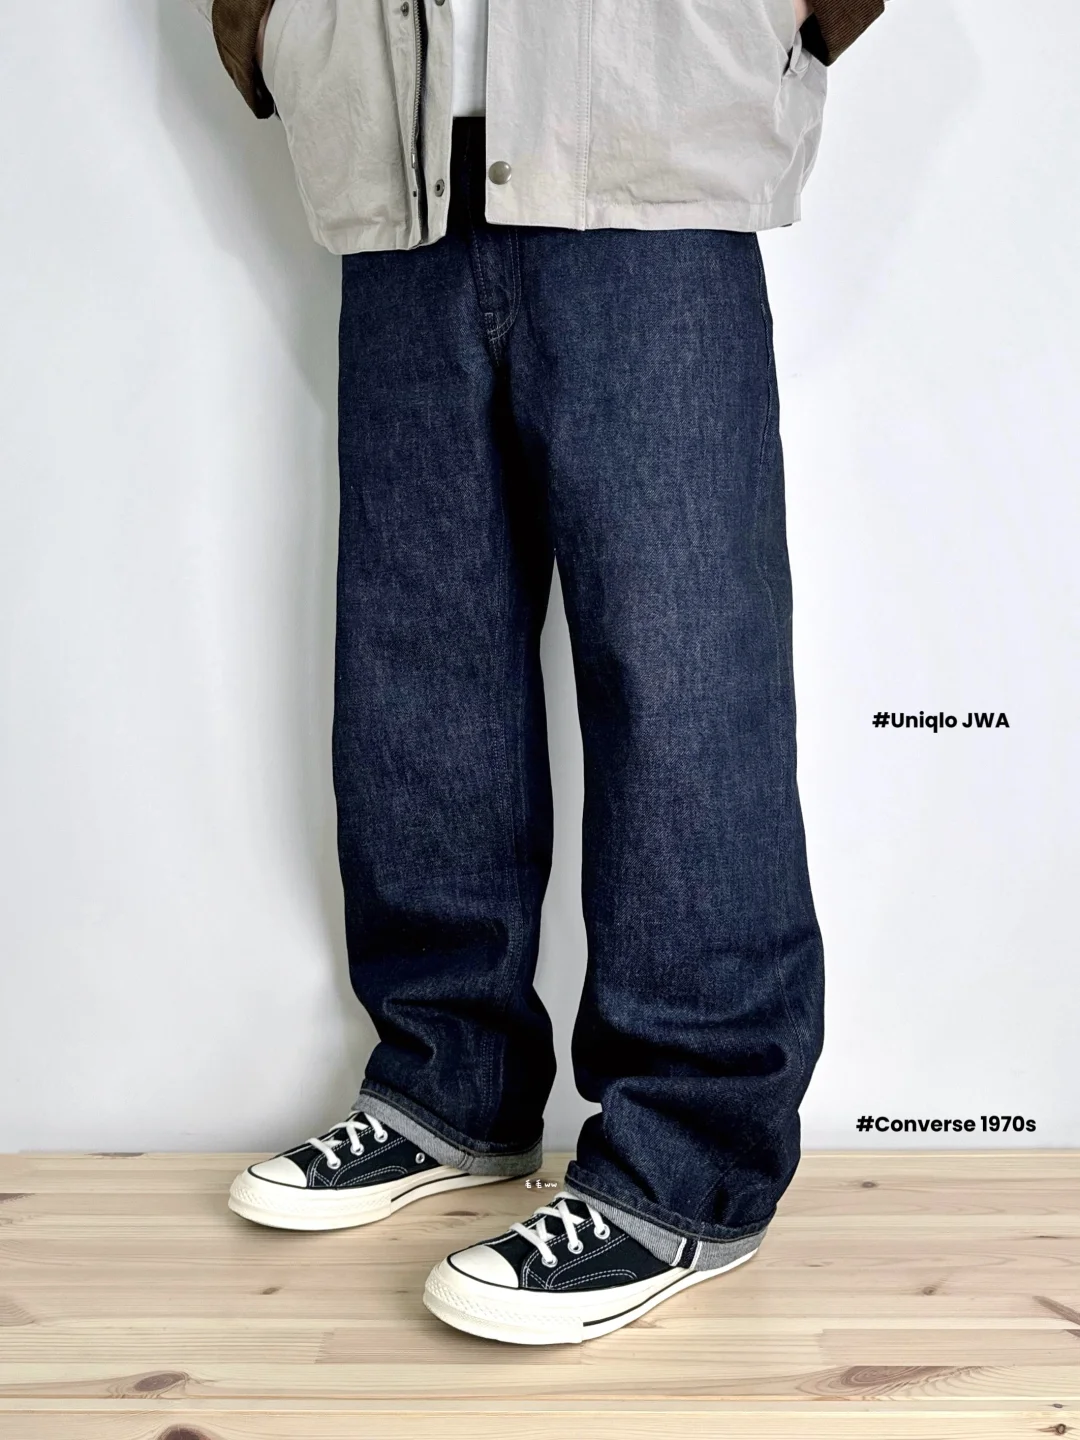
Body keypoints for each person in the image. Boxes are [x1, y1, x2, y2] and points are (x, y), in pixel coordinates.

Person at [190, 0, 885, 1345]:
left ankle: (690, 1163)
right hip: (397, 157)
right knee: (417, 668)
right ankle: (449, 1081)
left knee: (682, 674)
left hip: (651, 140)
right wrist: (270, 28)